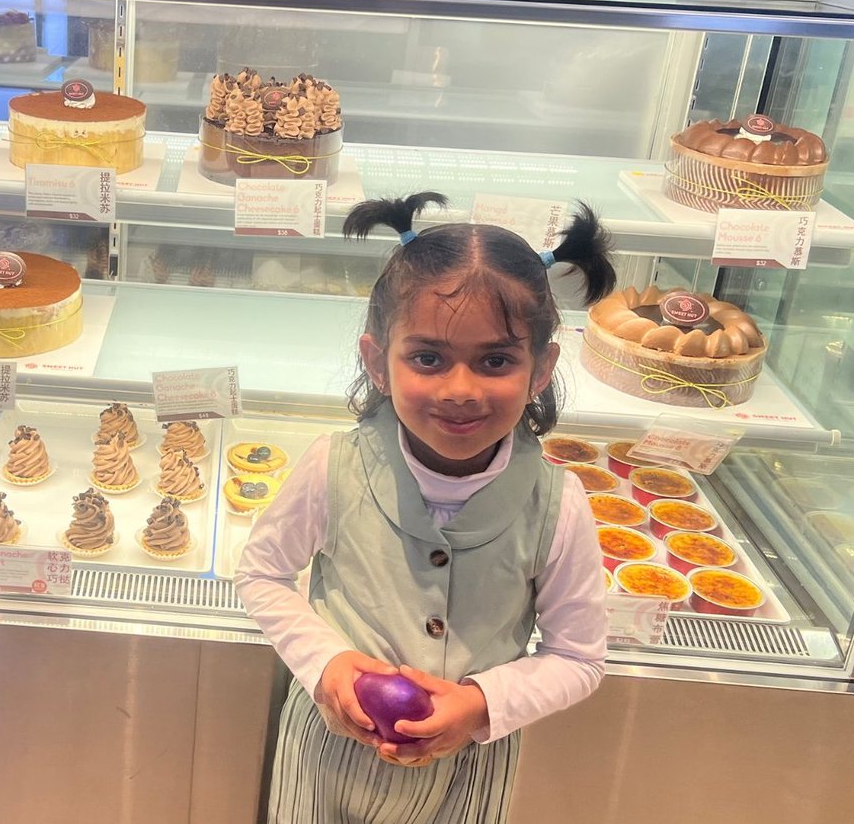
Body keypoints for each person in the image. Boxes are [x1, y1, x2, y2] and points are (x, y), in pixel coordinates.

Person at [235, 192, 614, 823]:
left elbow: (579, 656)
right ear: (376, 361)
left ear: (542, 367)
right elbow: (263, 573)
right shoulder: (335, 467)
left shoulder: (558, 505)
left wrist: (482, 704)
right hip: (325, 747)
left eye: (496, 360)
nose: (460, 389)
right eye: (428, 358)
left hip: (468, 766)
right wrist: (325, 662)